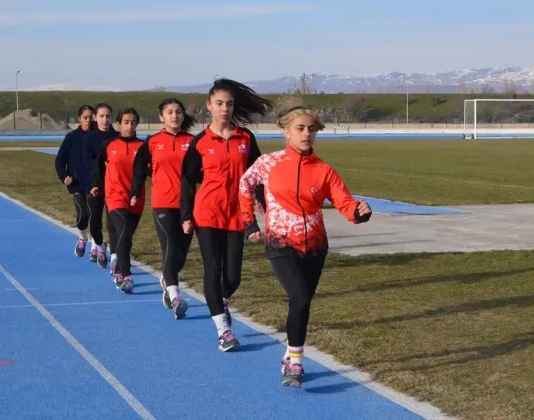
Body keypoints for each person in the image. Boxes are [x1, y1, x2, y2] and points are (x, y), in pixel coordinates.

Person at [238, 106, 372, 388]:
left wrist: (359, 213)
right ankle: (296, 362)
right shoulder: (268, 163)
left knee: (303, 303)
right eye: (300, 128)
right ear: (286, 131)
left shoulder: (324, 171)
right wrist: (249, 223)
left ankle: (289, 354)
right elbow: (244, 184)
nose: (306, 133)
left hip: (315, 247)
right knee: (299, 297)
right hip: (280, 242)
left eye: (311, 129)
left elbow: (345, 203)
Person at [180, 78, 271, 352]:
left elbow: (259, 175)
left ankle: (221, 300)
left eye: (229, 104)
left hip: (237, 215)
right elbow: (187, 180)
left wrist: (262, 202)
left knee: (232, 277)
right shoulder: (200, 142)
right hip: (207, 214)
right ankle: (224, 330)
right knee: (212, 269)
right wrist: (186, 213)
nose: (225, 108)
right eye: (219, 103)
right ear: (209, 106)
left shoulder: (246, 139)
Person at [131, 98, 196, 319]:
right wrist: (135, 191)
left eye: (178, 112)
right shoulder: (152, 142)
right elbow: (140, 168)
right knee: (169, 246)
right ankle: (176, 295)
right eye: (169, 112)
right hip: (162, 203)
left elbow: (203, 171)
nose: (174, 116)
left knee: (181, 252)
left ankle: (167, 279)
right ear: (161, 117)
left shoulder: (193, 141)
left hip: (188, 205)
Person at [90, 108, 145, 294]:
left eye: (133, 122)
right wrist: (96, 184)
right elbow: (98, 167)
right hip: (114, 196)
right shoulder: (108, 145)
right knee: (123, 232)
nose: (130, 126)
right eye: (126, 122)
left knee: (126, 237)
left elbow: (152, 170)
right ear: (119, 123)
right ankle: (125, 273)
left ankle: (116, 263)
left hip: (136, 199)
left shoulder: (144, 147)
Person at [54, 104, 96, 258]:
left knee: (94, 215)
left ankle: (96, 245)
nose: (88, 120)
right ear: (79, 118)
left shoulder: (99, 136)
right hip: (77, 183)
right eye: (85, 118)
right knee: (82, 215)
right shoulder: (71, 137)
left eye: (91, 117)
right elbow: (59, 160)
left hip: (94, 184)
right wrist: (64, 176)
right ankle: (82, 237)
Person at [83, 103, 120, 270]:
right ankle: (99, 245)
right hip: (96, 187)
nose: (105, 119)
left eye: (108, 116)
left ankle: (116, 258)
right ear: (95, 118)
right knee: (95, 224)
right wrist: (92, 184)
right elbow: (87, 164)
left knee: (113, 223)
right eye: (102, 116)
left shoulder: (118, 137)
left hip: (114, 187)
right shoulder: (89, 139)